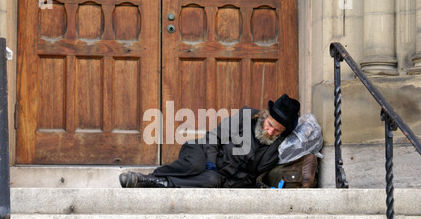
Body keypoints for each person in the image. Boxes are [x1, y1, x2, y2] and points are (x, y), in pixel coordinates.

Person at [119, 94, 301, 188]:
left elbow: (251, 177)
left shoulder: (276, 148)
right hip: (203, 151)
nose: (270, 131)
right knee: (197, 165)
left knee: (211, 181)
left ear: (283, 132)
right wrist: (210, 163)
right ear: (265, 115)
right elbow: (213, 137)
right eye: (269, 124)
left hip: (220, 176)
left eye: (277, 130)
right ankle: (152, 176)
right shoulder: (247, 116)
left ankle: (152, 183)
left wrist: (225, 181)